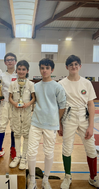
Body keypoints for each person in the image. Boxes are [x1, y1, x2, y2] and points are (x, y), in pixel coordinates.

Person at [58, 55, 99, 189]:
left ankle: (93, 177)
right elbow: (59, 106)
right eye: (71, 65)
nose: (74, 67)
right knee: (67, 148)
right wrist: (59, 124)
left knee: (91, 148)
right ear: (67, 67)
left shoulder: (86, 83)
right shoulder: (61, 84)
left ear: (80, 66)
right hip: (68, 118)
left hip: (84, 118)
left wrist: (91, 125)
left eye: (76, 64)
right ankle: (67, 176)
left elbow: (91, 104)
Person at [27, 58, 66, 189]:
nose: (44, 70)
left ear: (52, 70)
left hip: (51, 125)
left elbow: (62, 106)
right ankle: (32, 180)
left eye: (47, 68)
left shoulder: (57, 87)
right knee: (31, 152)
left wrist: (56, 120)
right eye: (42, 68)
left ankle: (45, 180)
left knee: (49, 152)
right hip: (36, 123)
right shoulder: (35, 86)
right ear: (39, 69)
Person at [0, 53, 18, 163]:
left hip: (16, 105)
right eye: (8, 60)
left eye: (12, 59)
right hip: (4, 104)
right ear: (5, 62)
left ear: (15, 61)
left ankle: (13, 149)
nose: (10, 61)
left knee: (15, 127)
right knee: (1, 126)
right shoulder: (2, 75)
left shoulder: (19, 75)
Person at [8, 60, 36, 169]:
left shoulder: (30, 84)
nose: (21, 71)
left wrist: (28, 103)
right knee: (16, 134)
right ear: (16, 70)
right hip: (15, 112)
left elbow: (34, 97)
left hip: (26, 112)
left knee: (26, 135)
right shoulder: (12, 84)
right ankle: (17, 157)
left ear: (27, 71)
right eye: (19, 69)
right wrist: (14, 103)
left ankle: (24, 158)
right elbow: (9, 97)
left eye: (23, 69)